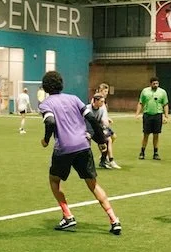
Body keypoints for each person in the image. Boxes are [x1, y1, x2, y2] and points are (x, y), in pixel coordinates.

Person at [38, 71, 121, 235]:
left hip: (64, 148)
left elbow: (50, 121)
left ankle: (68, 216)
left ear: (45, 87)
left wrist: (46, 139)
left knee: (54, 180)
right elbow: (92, 119)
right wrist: (101, 141)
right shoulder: (74, 98)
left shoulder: (45, 104)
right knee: (93, 184)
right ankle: (114, 220)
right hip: (83, 145)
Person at [136, 76, 169, 160]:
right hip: (147, 115)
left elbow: (165, 104)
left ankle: (156, 153)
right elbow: (140, 103)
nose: (156, 85)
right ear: (150, 84)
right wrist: (137, 114)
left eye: (157, 83)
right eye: (154, 83)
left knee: (156, 135)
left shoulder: (162, 92)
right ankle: (142, 152)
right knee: (146, 134)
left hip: (158, 115)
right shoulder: (145, 91)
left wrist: (166, 116)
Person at [84, 93, 120, 169]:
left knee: (106, 141)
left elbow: (103, 120)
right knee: (86, 147)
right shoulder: (87, 109)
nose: (103, 103)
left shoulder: (102, 109)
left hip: (96, 130)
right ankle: (85, 163)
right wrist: (85, 132)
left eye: (103, 101)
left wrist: (106, 122)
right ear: (95, 101)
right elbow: (80, 120)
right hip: (87, 130)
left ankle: (103, 162)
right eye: (101, 101)